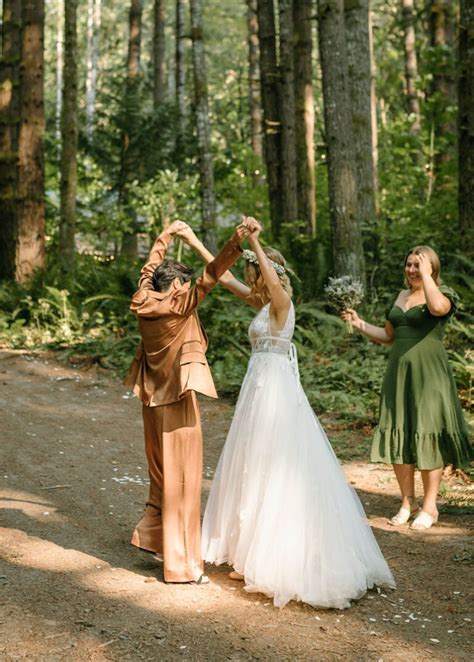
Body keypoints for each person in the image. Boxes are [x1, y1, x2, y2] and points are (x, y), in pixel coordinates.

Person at [192, 217, 395, 609]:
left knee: (272, 464)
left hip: (276, 394)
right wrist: (197, 243)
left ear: (270, 275)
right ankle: (249, 550)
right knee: (252, 464)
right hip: (258, 388)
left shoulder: (282, 304)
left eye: (258, 274)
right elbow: (222, 277)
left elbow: (267, 281)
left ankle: (270, 556)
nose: (253, 282)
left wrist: (254, 240)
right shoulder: (264, 304)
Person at [124, 218, 256, 584]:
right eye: (184, 282)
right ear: (179, 286)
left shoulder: (143, 298)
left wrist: (164, 236)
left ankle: (153, 538)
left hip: (151, 400)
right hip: (178, 400)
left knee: (161, 478)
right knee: (183, 481)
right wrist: (234, 240)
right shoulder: (180, 303)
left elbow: (148, 269)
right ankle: (182, 565)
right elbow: (211, 274)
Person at [341, 246, 472, 530]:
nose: (412, 270)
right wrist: (359, 323)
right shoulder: (400, 296)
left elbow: (438, 308)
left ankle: (430, 506)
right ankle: (406, 502)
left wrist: (428, 278)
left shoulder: (441, 293)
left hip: (430, 376)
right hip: (398, 375)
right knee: (399, 431)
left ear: (431, 267)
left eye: (418, 265)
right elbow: (388, 336)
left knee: (428, 435)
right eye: (409, 265)